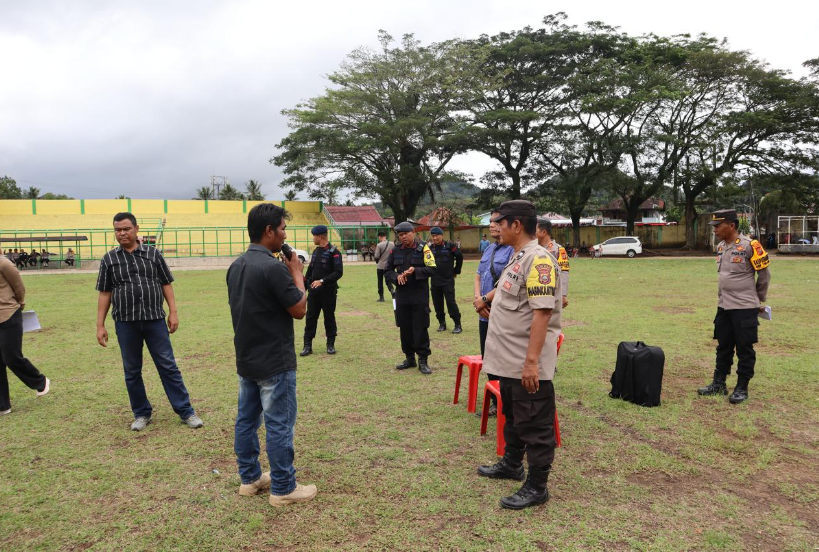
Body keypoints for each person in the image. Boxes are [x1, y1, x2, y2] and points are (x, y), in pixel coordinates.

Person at [226, 203, 317, 508]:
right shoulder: (274, 267)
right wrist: (296, 273)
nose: (284, 235)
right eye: (282, 229)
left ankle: (250, 479)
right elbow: (300, 309)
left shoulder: (236, 265)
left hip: (247, 358)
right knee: (279, 423)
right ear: (269, 231)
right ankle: (283, 487)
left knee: (247, 420)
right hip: (274, 362)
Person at [474, 200, 563, 510]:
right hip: (508, 360)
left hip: (525, 363)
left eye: (499, 221)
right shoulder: (518, 257)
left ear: (516, 224)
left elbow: (542, 314)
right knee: (513, 416)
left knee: (536, 424)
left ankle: (538, 486)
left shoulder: (538, 260)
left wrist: (531, 363)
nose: (494, 227)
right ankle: (512, 463)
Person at [96, 212, 203, 431]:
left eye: (126, 228)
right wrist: (100, 324)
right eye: (118, 229)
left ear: (136, 229)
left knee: (167, 365)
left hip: (154, 320)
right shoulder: (109, 259)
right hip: (125, 322)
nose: (122, 233)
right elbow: (105, 293)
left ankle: (186, 411)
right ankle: (141, 413)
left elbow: (166, 284)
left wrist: (173, 312)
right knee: (132, 370)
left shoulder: (153, 254)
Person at [698, 209, 771, 404]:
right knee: (723, 346)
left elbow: (764, 275)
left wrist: (757, 300)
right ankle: (719, 383)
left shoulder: (750, 246)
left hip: (744, 307)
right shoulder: (721, 246)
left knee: (745, 348)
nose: (714, 230)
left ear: (731, 225)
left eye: (717, 226)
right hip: (724, 306)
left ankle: (742, 387)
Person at [473, 209, 513, 417]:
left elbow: (508, 283)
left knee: (503, 358)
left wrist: (485, 299)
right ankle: (497, 401)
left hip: (501, 312)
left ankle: (505, 401)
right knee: (488, 357)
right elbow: (478, 275)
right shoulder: (488, 249)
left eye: (497, 221)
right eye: (490, 221)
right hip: (484, 312)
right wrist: (478, 301)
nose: (492, 225)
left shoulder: (514, 251)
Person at [0, 255, 50, 415]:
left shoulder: (4, 263)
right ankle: (2, 405)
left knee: (11, 356)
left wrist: (19, 303)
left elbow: (18, 286)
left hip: (8, 314)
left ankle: (40, 381)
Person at [385, 222, 437, 375]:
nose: (403, 237)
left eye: (406, 234)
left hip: (419, 296)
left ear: (413, 232)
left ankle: (423, 360)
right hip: (402, 296)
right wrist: (396, 276)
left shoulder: (423, 249)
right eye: (400, 235)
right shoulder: (395, 251)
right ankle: (409, 358)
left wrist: (415, 271)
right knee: (405, 328)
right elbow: (387, 270)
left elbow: (432, 269)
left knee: (420, 328)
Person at [300, 225, 343, 356]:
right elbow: (310, 271)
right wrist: (303, 287)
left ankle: (330, 344)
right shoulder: (316, 252)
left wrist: (322, 281)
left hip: (328, 292)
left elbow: (338, 272)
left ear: (320, 236)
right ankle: (307, 346)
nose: (313, 238)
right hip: (314, 292)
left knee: (329, 317)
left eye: (314, 236)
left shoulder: (334, 252)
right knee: (311, 317)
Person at [428, 227, 464, 334]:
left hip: (447, 280)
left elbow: (460, 257)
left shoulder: (450, 246)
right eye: (433, 236)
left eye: (437, 236)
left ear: (442, 235)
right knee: (437, 303)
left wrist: (456, 271)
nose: (435, 238)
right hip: (435, 281)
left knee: (450, 303)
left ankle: (457, 324)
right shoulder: (429, 248)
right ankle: (442, 323)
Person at [536, 219, 570, 309]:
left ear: (543, 232)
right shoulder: (533, 249)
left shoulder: (558, 250)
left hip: (552, 292)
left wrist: (563, 294)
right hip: (535, 290)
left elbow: (564, 272)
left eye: (534, 230)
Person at [373, 231, 396, 302]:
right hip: (389, 266)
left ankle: (381, 297)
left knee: (380, 282)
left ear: (380, 237)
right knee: (388, 280)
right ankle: (393, 292)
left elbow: (376, 256)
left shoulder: (379, 245)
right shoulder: (392, 244)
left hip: (380, 266)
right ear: (385, 236)